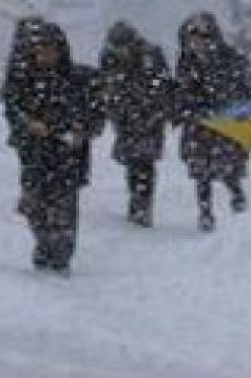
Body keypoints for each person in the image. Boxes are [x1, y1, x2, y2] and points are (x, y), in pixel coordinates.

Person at [0, 17, 104, 276]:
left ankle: (60, 257)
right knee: (35, 207)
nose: (45, 56)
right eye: (40, 50)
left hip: (68, 156)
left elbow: (97, 113)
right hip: (34, 155)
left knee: (64, 210)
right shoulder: (23, 80)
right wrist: (28, 124)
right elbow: (13, 110)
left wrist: (82, 131)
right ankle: (44, 245)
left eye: (50, 50)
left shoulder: (78, 80)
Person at [173, 12, 251, 232]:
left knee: (227, 167)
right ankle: (205, 213)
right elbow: (182, 92)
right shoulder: (186, 62)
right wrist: (186, 107)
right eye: (192, 37)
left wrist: (235, 107)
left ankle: (236, 192)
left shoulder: (230, 57)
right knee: (200, 171)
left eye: (201, 36)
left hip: (225, 122)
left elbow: (248, 88)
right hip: (199, 124)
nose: (196, 42)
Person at [98, 21, 172, 228]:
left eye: (124, 46)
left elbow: (163, 86)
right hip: (125, 118)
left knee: (145, 161)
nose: (121, 51)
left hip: (150, 117)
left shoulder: (152, 56)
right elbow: (105, 84)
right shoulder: (109, 57)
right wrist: (114, 107)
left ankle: (143, 206)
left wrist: (156, 110)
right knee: (132, 161)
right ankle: (136, 200)